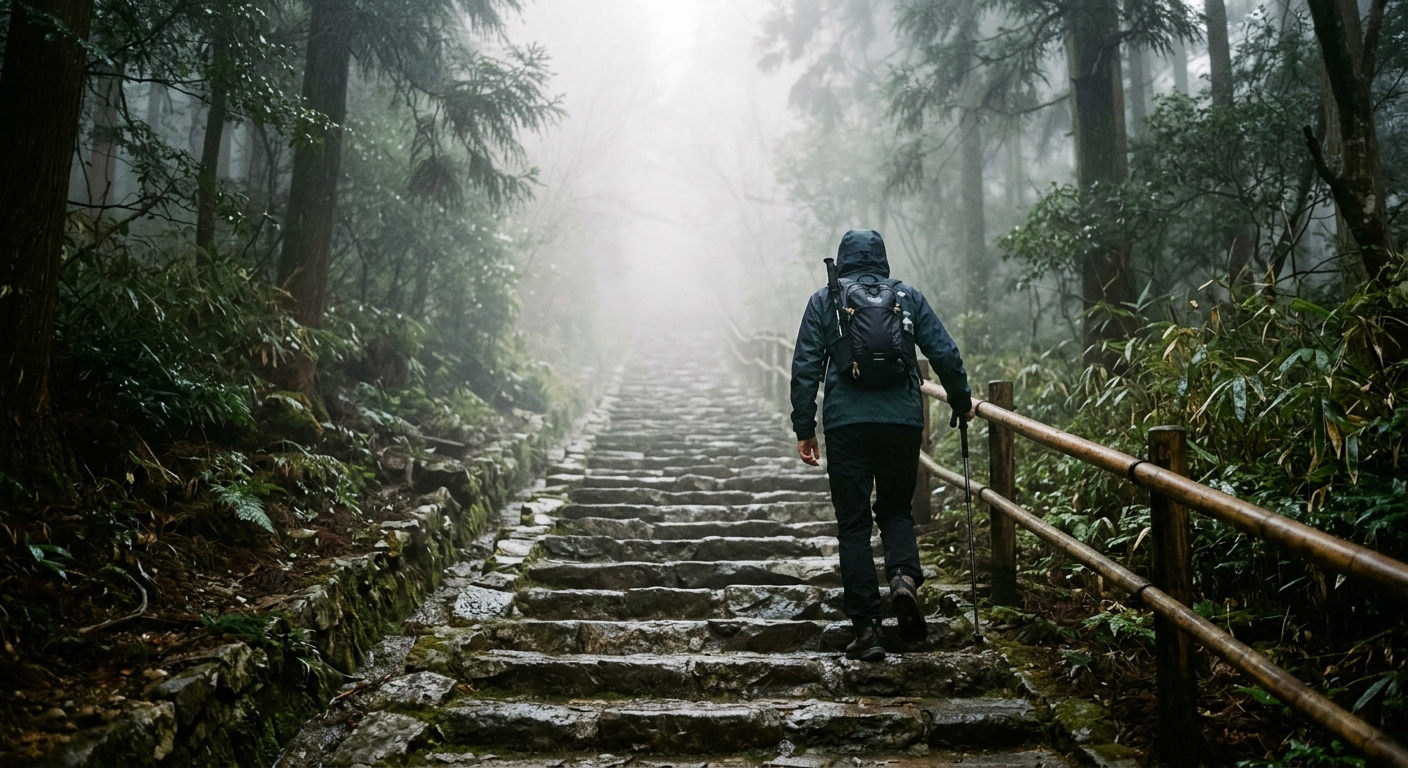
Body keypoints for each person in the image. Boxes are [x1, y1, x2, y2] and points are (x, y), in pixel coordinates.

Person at [789, 229, 974, 662]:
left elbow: (806, 365)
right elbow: (944, 352)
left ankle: (868, 629)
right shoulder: (907, 297)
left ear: (843, 259)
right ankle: (904, 580)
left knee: (853, 523)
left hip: (846, 425)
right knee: (895, 509)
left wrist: (804, 427)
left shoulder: (826, 300)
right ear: (882, 260)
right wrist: (962, 402)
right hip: (901, 421)